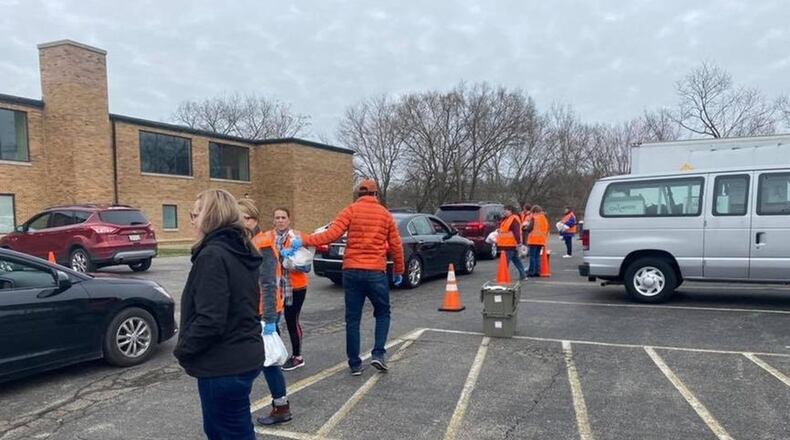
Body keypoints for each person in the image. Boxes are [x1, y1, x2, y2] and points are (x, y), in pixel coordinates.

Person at [174, 189, 263, 440]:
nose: (191, 220)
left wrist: (183, 349)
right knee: (235, 430)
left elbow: (210, 319)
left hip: (224, 364)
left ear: (210, 217)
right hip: (242, 356)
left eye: (195, 214)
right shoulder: (238, 249)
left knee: (226, 433)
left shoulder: (214, 254)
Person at [296, 179, 404, 376]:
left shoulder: (350, 210)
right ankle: (378, 353)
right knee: (382, 312)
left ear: (358, 195)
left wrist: (304, 239)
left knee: (352, 318)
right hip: (375, 272)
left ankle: (354, 363)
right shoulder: (385, 215)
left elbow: (330, 235)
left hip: (352, 271)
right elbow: (396, 246)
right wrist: (399, 270)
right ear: (376, 194)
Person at [237, 199, 293, 426]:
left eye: (246, 218)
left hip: (263, 313)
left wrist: (269, 319)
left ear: (254, 220)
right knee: (263, 362)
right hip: (252, 311)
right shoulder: (248, 241)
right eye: (238, 218)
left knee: (267, 362)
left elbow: (269, 283)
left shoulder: (263, 244)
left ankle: (281, 407)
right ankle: (280, 406)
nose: (241, 222)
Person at [269, 208, 309, 371]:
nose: (280, 220)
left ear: (289, 220)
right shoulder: (268, 237)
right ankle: (278, 353)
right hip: (275, 286)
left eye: (283, 217)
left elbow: (306, 265)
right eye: (277, 217)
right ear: (273, 220)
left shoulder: (297, 237)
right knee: (273, 320)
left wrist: (292, 262)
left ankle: (297, 356)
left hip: (295, 286)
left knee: (292, 320)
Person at [496, 205, 527, 280]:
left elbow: (516, 232)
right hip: (508, 244)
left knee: (505, 262)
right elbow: (505, 230)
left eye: (506, 210)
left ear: (511, 211)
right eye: (504, 210)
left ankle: (503, 277)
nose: (504, 212)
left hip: (509, 244)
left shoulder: (513, 219)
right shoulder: (507, 219)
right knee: (516, 260)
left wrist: (519, 243)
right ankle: (523, 275)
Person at [526, 205, 549, 277]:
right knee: (537, 256)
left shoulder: (534, 218)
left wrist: (525, 227)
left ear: (534, 211)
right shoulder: (544, 218)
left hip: (533, 239)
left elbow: (529, 228)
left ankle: (531, 272)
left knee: (532, 256)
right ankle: (537, 271)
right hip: (541, 240)